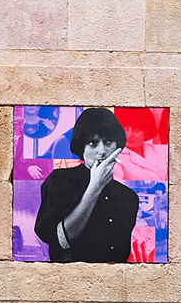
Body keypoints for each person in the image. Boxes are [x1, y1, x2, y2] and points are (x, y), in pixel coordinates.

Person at [31, 106, 142, 263]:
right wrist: (95, 187)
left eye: (108, 142)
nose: (102, 151)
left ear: (117, 147)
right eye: (93, 143)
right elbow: (61, 241)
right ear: (81, 147)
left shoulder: (129, 197)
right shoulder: (60, 180)